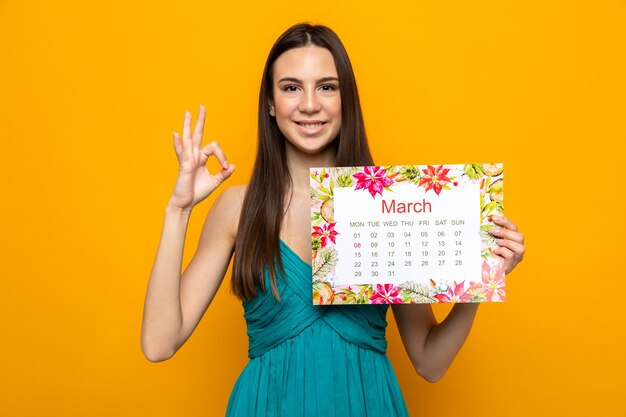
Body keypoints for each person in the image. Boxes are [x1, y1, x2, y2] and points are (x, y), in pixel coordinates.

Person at [140, 23, 525, 417]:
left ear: (346, 100)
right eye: (291, 87)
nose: (309, 104)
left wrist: (480, 278)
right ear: (270, 104)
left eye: (326, 87)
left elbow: (429, 362)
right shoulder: (240, 207)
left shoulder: (392, 205)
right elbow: (158, 343)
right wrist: (179, 209)